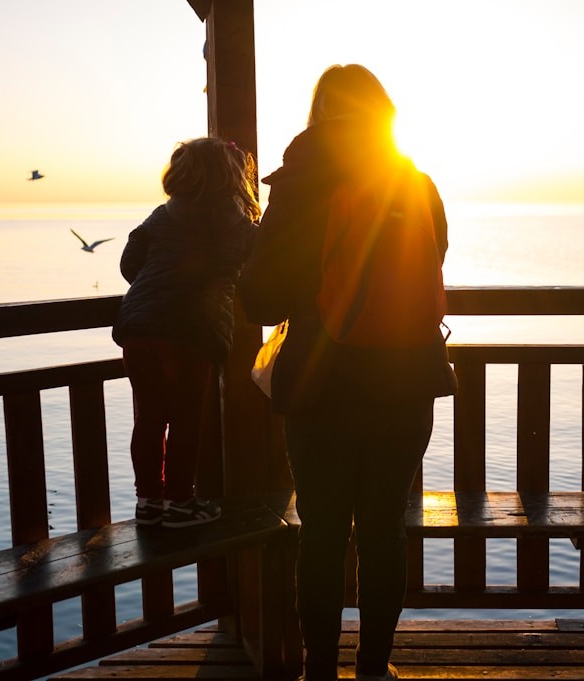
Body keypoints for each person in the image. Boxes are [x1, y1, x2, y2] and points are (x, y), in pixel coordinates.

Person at [238, 64, 457, 681]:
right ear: (383, 112)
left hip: (321, 385)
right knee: (385, 530)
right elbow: (433, 259)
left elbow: (261, 300)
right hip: (408, 378)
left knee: (324, 532)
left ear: (320, 115)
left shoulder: (302, 181)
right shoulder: (415, 182)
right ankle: (374, 669)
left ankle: (319, 673)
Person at [112, 138, 259, 528]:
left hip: (139, 328)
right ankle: (179, 501)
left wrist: (155, 286)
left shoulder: (162, 215)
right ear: (231, 175)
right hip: (193, 331)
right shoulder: (235, 220)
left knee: (149, 417)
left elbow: (130, 265)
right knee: (186, 419)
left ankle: (148, 502)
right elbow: (255, 264)